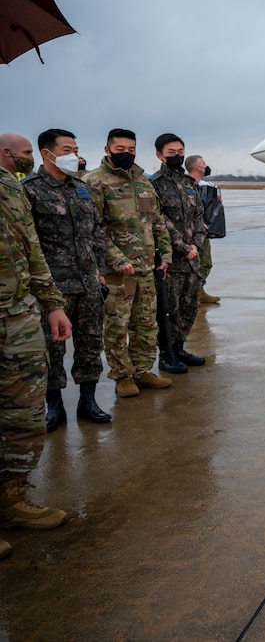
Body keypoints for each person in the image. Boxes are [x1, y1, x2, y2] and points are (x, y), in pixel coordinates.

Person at [0, 134, 73, 560]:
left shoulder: (12, 187)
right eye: (25, 153)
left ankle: (11, 500)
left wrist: (52, 304)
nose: (29, 160)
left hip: (19, 317)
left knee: (25, 416)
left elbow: (32, 251)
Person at [22, 129, 112, 430]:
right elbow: (26, 242)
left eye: (75, 149)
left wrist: (99, 269)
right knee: (52, 350)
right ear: (47, 153)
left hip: (88, 285)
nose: (74, 155)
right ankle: (55, 407)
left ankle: (89, 401)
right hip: (53, 289)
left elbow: (95, 233)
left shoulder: (80, 188)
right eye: (66, 150)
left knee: (89, 346)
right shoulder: (30, 190)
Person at [83, 129, 174, 397]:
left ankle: (143, 371)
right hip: (117, 273)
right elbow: (93, 229)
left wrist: (165, 254)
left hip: (146, 269)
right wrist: (117, 259)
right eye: (120, 148)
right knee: (116, 326)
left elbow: (157, 221)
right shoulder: (94, 183)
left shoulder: (143, 182)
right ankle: (122, 376)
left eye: (131, 149)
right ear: (107, 149)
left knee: (146, 324)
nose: (127, 153)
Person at [149, 134, 206, 369]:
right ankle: (166, 355)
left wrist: (196, 245)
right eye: (171, 152)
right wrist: (182, 247)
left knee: (189, 307)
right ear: (159, 155)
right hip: (171, 260)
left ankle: (180, 348)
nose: (177, 156)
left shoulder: (190, 184)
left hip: (192, 259)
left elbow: (199, 217)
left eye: (181, 152)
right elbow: (159, 219)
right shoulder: (155, 184)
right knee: (168, 310)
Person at [185, 155, 220, 304]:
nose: (206, 166)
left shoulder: (204, 186)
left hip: (201, 232)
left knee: (205, 263)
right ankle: (192, 294)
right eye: (204, 164)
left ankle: (199, 291)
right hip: (191, 233)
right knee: (196, 265)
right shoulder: (186, 186)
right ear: (198, 167)